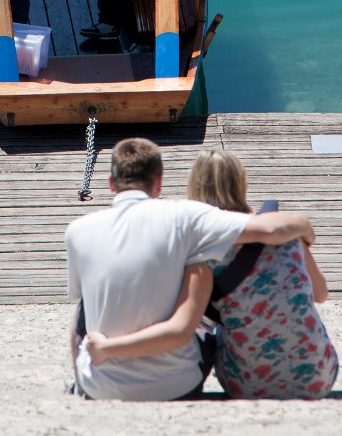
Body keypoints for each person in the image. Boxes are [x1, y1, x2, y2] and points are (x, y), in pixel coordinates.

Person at [65, 138, 318, 401]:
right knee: (207, 321)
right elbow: (269, 229)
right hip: (176, 384)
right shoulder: (186, 216)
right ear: (159, 181)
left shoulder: (77, 230)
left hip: (98, 385)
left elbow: (78, 327)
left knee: (86, 300)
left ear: (110, 182)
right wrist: (303, 225)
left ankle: (79, 383)